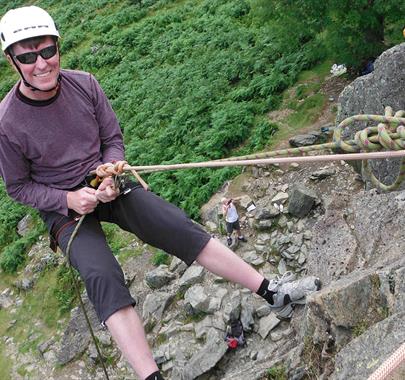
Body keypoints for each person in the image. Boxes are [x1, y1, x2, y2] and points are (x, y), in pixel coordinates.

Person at [0, 6, 321, 380]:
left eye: (47, 51)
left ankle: (272, 293)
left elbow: (112, 139)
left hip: (107, 182)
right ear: (13, 61)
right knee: (101, 275)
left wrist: (111, 169)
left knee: (176, 226)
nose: (41, 63)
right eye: (27, 56)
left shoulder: (85, 84)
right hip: (64, 206)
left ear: (57, 47)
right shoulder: (7, 121)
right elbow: (19, 187)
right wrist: (67, 200)